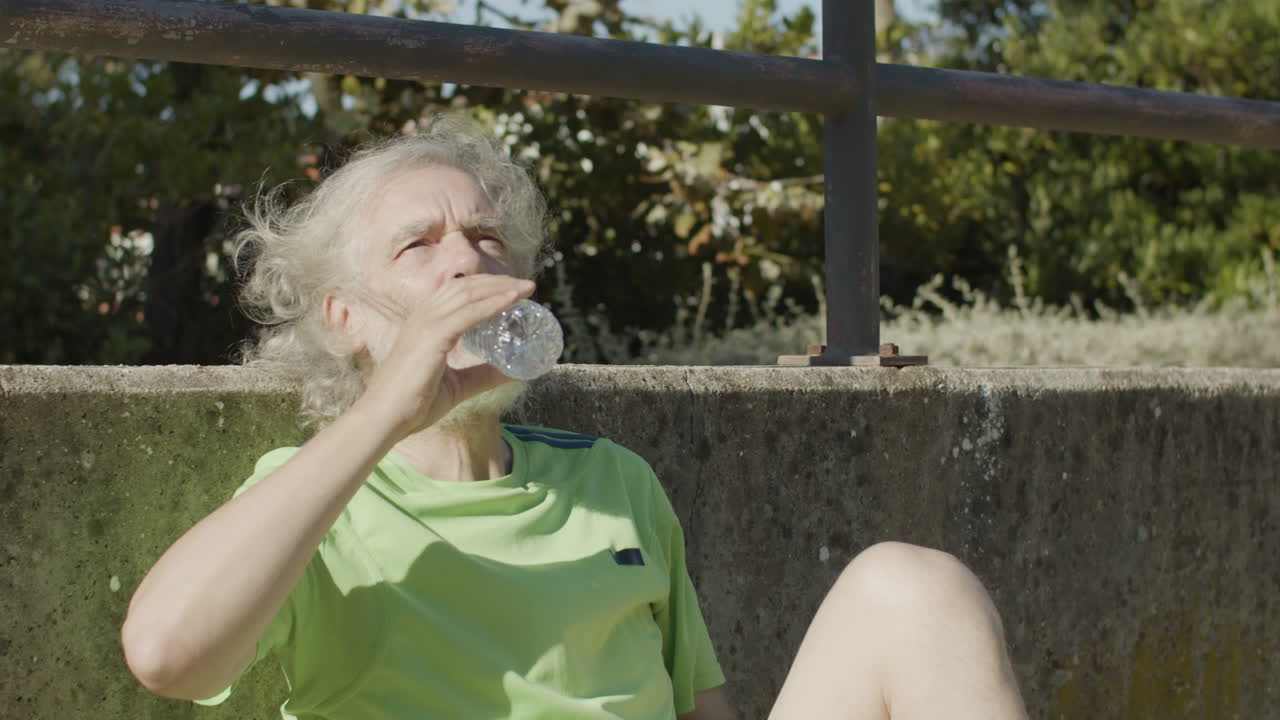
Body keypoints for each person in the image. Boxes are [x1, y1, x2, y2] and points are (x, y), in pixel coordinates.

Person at [120, 116, 1028, 720]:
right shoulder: (311, 496)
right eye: (417, 246)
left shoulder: (612, 481)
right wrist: (384, 415)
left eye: (486, 238)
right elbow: (167, 655)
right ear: (344, 318)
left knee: (913, 589)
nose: (465, 263)